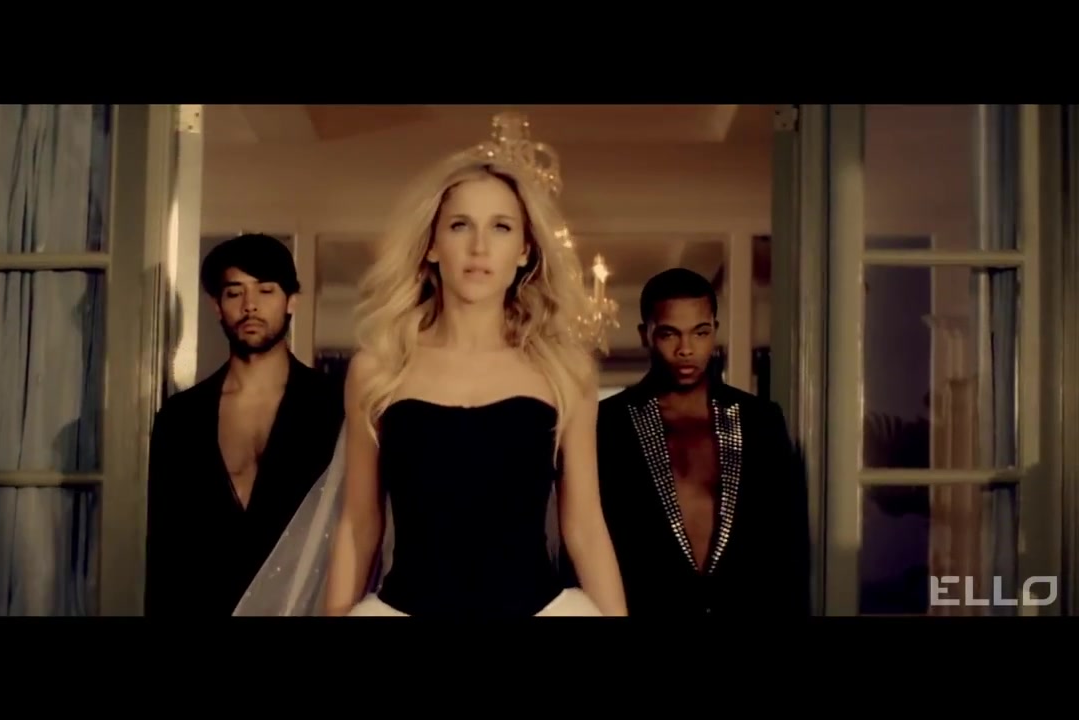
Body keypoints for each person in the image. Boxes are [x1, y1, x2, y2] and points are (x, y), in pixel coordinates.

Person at [308, 144, 628, 616]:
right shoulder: (379, 369)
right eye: (460, 225)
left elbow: (584, 527)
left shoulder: (564, 369)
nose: (480, 247)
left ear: (525, 250)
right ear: (432, 244)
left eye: (501, 227)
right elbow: (359, 524)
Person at [584, 268, 810, 615]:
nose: (686, 349)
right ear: (646, 335)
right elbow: (588, 540)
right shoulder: (609, 425)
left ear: (714, 331)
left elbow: (789, 545)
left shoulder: (760, 421)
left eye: (700, 332)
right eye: (669, 334)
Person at [144, 233, 344, 616]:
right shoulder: (182, 418)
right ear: (216, 306)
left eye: (265, 290)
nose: (250, 305)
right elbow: (164, 549)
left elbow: (356, 527)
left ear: (291, 301)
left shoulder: (333, 407)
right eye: (234, 292)